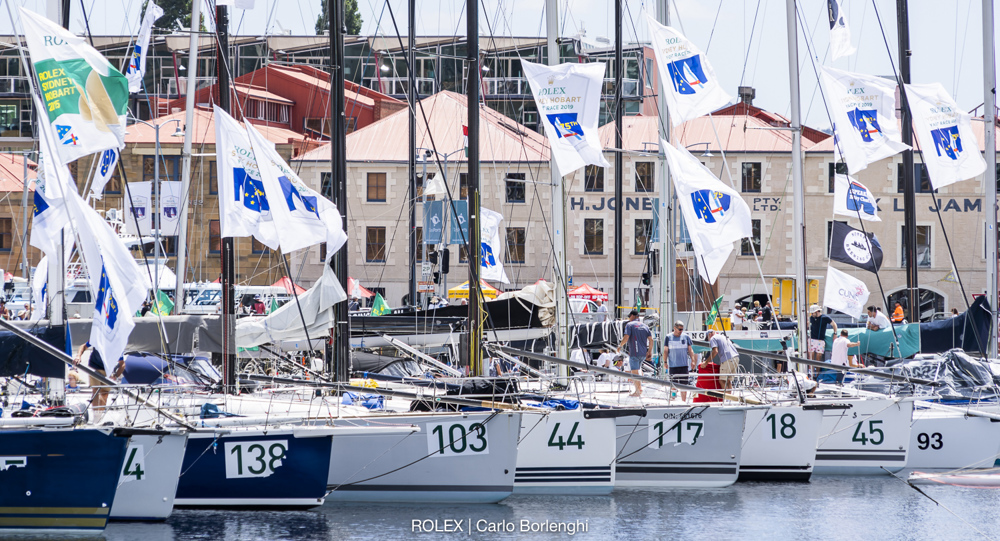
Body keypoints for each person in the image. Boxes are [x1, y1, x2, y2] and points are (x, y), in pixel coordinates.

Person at [72, 342, 125, 416]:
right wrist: (78, 356)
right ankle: (96, 415)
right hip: (94, 367)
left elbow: (122, 363)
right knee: (96, 390)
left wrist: (116, 376)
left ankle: (99, 417)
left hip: (107, 370)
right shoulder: (97, 336)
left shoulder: (118, 343)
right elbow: (83, 346)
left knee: (105, 394)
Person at [617, 310, 652, 397]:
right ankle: (639, 388)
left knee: (634, 372)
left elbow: (626, 337)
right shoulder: (645, 326)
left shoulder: (630, 325)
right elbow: (651, 340)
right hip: (643, 353)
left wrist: (620, 346)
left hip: (634, 353)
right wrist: (649, 351)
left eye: (629, 317)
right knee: (638, 370)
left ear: (633, 316)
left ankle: (637, 391)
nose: (629, 318)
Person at [663, 321, 697, 401]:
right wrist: (665, 362)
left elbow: (690, 350)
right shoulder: (668, 337)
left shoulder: (686, 337)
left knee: (684, 385)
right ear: (675, 328)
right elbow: (665, 351)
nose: (681, 331)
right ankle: (673, 400)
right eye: (679, 329)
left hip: (684, 365)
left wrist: (693, 360)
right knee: (673, 385)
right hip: (673, 365)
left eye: (682, 329)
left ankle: (683, 401)